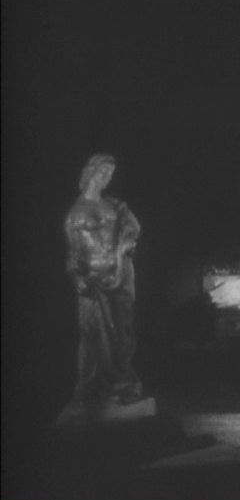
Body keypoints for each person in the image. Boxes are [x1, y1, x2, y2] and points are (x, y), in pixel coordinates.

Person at [63, 153, 145, 409]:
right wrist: (76, 276)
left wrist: (124, 248)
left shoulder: (116, 206)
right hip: (93, 279)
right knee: (91, 333)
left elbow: (132, 231)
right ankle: (88, 387)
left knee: (122, 331)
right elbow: (74, 254)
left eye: (110, 174)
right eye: (102, 172)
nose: (106, 178)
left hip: (120, 274)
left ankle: (124, 384)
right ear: (90, 172)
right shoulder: (75, 214)